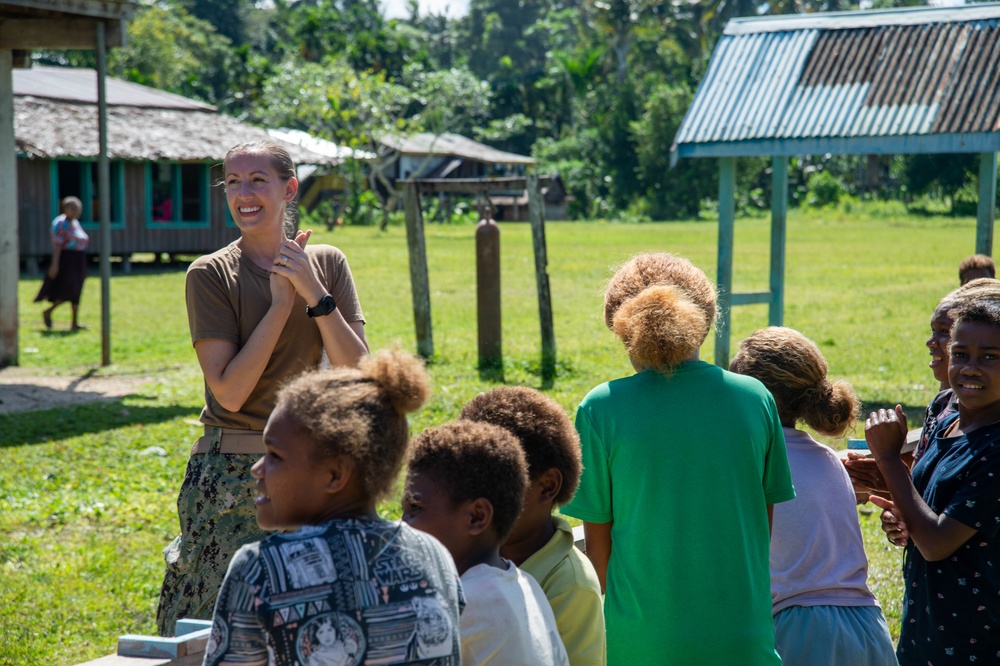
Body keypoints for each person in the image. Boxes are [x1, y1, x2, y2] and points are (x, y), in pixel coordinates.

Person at [157, 140, 369, 636]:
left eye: (258, 180)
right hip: (233, 478)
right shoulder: (210, 274)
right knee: (213, 629)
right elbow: (229, 393)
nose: (243, 194)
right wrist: (278, 304)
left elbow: (359, 372)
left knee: (314, 625)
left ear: (289, 189)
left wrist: (313, 291)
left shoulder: (327, 263)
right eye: (232, 182)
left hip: (317, 472)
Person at [560, 252, 795, 665]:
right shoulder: (756, 399)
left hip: (639, 644)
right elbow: (762, 530)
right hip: (743, 641)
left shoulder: (600, 409)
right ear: (705, 321)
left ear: (621, 328)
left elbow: (598, 554)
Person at [202, 348, 464, 665]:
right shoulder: (434, 554)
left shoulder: (260, 569)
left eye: (275, 456)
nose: (257, 469)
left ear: (335, 475)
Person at [730, 327, 897, 666]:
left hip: (801, 631)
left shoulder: (749, 464)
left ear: (753, 398)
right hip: (868, 628)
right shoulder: (827, 460)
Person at [867, 300, 1000, 664]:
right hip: (926, 624)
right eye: (960, 354)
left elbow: (938, 543)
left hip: (978, 637)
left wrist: (889, 459)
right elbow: (928, 510)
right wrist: (902, 522)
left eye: (989, 357)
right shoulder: (944, 411)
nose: (970, 368)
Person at [403, 420, 569, 666]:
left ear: (476, 516)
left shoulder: (464, 603)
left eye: (415, 508)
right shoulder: (526, 585)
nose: (402, 523)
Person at [461, 386, 606, 666]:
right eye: (467, 481)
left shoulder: (570, 586)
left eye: (495, 483)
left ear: (547, 486)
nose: (476, 500)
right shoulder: (466, 550)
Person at [35, 196, 89, 331]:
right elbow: (58, 246)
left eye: (78, 208)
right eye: (72, 208)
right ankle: (48, 311)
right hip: (67, 260)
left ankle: (74, 323)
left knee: (77, 290)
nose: (76, 211)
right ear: (65, 208)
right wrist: (55, 264)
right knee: (69, 289)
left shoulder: (75, 222)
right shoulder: (60, 223)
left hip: (78, 259)